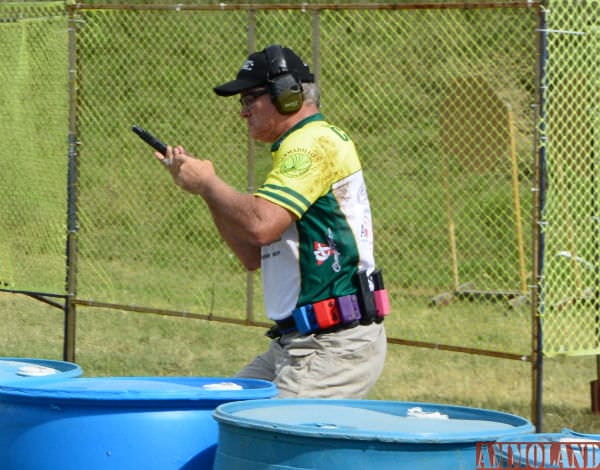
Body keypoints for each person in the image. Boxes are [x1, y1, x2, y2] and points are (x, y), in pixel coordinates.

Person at [155, 44, 387, 398]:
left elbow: (261, 225)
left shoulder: (310, 145)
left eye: (250, 99)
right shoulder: (298, 148)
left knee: (259, 437)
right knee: (217, 410)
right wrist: (205, 191)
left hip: (332, 346)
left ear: (287, 95)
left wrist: (209, 183)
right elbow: (252, 253)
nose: (243, 112)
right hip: (299, 341)